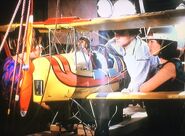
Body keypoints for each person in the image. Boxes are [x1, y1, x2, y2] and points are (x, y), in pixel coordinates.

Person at [1, 27, 42, 100]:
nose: (41, 47)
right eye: (38, 44)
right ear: (29, 45)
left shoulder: (11, 61)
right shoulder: (14, 67)